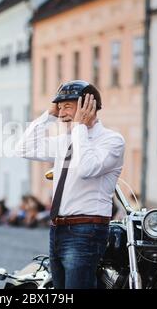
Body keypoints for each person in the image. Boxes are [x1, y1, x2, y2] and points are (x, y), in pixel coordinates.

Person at [16, 80, 125, 289]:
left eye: (67, 105)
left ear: (88, 106)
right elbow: (24, 149)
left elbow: (86, 168)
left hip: (86, 230)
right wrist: (48, 116)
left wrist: (80, 126)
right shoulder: (65, 140)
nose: (61, 111)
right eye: (59, 106)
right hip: (57, 230)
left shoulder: (112, 141)